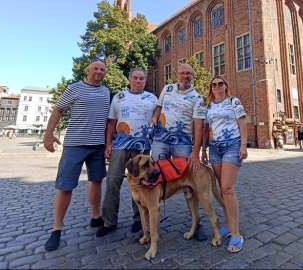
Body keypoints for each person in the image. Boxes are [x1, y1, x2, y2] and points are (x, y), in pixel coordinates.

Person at [43, 59, 111, 251]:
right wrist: (49, 134)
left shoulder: (106, 92)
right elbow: (58, 110)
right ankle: (56, 229)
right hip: (75, 144)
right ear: (88, 70)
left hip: (97, 145)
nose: (99, 71)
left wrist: (108, 143)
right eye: (96, 68)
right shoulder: (75, 88)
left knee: (96, 181)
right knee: (65, 186)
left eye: (102, 69)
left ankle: (96, 217)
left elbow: (108, 120)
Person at [95, 67, 158, 238]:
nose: (139, 81)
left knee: (140, 183)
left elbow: (158, 117)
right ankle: (109, 221)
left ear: (145, 81)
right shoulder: (119, 97)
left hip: (142, 148)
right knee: (113, 181)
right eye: (136, 78)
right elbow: (111, 123)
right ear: (130, 79)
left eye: (142, 79)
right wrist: (108, 144)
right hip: (120, 146)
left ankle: (139, 219)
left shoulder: (152, 98)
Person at [149, 63, 208, 241]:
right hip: (160, 140)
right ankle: (152, 223)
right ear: (177, 74)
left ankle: (197, 224)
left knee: (190, 183)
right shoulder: (167, 89)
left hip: (182, 144)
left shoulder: (198, 98)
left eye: (188, 73)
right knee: (155, 176)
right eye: (182, 73)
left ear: (192, 76)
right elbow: (159, 108)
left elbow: (199, 126)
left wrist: (195, 152)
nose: (185, 76)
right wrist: (154, 117)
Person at [201, 76, 247, 253]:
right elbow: (206, 129)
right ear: (211, 88)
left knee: (228, 188)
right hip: (215, 148)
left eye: (221, 83)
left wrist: (243, 145)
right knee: (222, 189)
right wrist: (203, 150)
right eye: (214, 84)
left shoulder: (233, 101)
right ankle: (228, 226)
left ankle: (236, 234)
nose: (217, 86)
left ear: (226, 86)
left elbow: (242, 123)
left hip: (232, 145)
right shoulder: (209, 107)